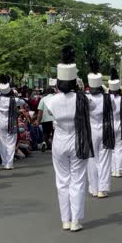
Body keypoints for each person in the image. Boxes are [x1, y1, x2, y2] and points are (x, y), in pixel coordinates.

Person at [44, 46, 94, 232]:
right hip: (78, 140)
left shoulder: (51, 100)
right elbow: (93, 109)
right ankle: (76, 221)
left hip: (59, 141)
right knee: (78, 181)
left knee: (62, 181)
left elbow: (50, 111)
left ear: (58, 82)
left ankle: (65, 219)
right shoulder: (83, 99)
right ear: (74, 81)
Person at [86, 58, 112, 198]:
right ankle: (103, 189)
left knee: (92, 159)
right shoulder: (108, 98)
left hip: (91, 130)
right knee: (104, 160)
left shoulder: (85, 98)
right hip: (105, 129)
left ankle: (94, 188)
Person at [0, 75, 25, 170]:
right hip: (11, 121)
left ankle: (4, 162)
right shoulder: (14, 100)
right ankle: (9, 163)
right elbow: (23, 102)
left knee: (2, 142)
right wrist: (15, 94)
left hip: (1, 120)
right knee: (11, 142)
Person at [108, 68, 122, 177]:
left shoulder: (107, 99)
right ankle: (119, 171)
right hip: (121, 125)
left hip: (110, 125)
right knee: (120, 149)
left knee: (112, 150)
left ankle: (113, 170)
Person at [36, 79, 56, 151]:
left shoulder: (43, 99)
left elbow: (40, 111)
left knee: (46, 132)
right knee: (54, 133)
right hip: (54, 119)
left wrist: (38, 121)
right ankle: (54, 146)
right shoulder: (56, 98)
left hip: (45, 119)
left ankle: (44, 142)